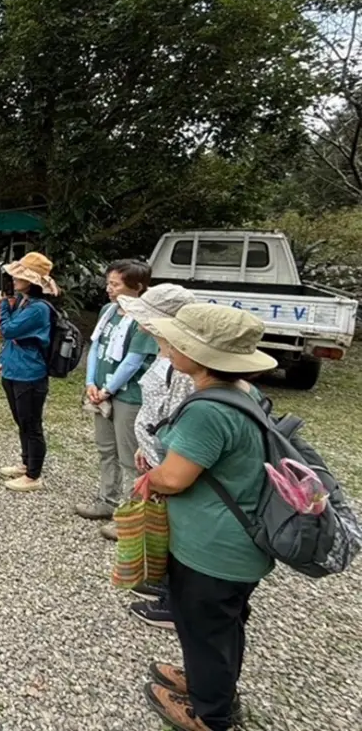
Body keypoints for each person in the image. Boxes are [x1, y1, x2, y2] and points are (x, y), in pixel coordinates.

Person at [137, 304, 277, 731]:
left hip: (213, 549)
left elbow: (175, 477)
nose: (170, 346)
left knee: (204, 629)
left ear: (201, 356)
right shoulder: (241, 393)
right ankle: (208, 683)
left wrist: (150, 479)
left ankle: (209, 713)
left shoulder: (207, 410)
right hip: (240, 543)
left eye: (179, 341)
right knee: (222, 626)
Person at [115, 284, 198, 630]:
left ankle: (175, 603)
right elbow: (154, 406)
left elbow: (181, 415)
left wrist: (160, 462)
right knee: (162, 526)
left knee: (179, 531)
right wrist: (142, 444)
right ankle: (163, 582)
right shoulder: (165, 352)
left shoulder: (184, 365)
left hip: (171, 462)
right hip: (152, 454)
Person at [75, 259, 157, 541]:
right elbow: (96, 346)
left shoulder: (143, 318)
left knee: (129, 456)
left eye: (116, 284)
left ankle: (130, 516)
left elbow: (133, 361)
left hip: (129, 395)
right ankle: (106, 500)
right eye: (108, 283)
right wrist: (90, 382)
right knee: (105, 448)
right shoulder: (109, 311)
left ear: (137, 287)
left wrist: (108, 389)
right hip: (100, 389)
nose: (109, 289)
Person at [0, 253, 59, 493]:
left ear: (31, 281)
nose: (13, 279)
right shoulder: (25, 302)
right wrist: (3, 359)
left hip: (30, 373)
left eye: (19, 275)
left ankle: (34, 474)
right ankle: (26, 462)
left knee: (31, 423)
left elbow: (8, 330)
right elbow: (14, 339)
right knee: (21, 420)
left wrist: (2, 305)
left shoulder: (38, 308)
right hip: (15, 369)